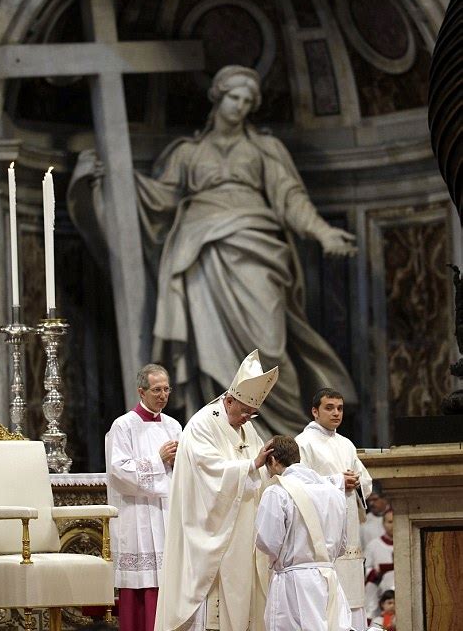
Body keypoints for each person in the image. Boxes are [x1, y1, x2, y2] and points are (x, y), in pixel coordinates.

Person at [69, 65, 357, 437]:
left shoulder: (264, 148)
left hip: (255, 247)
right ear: (218, 98)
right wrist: (111, 177)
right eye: (234, 98)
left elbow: (291, 198)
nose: (240, 106)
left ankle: (281, 435)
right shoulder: (188, 153)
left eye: (247, 101)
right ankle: (217, 432)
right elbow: (159, 198)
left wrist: (323, 233)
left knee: (267, 346)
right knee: (208, 349)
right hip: (200, 252)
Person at [153, 349, 278, 631]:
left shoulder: (245, 425)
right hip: (210, 527)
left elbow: (259, 465)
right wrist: (251, 466)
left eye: (253, 412)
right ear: (230, 399)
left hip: (241, 527)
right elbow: (208, 471)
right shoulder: (202, 424)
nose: (248, 417)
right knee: (213, 592)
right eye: (245, 410)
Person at [105, 363, 182, 631]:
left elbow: (182, 471)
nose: (163, 395)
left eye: (166, 389)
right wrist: (158, 459)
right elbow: (119, 472)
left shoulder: (174, 426)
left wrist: (178, 463)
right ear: (141, 391)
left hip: (166, 512)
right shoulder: (123, 425)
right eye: (157, 390)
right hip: (137, 515)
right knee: (142, 584)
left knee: (167, 581)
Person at [255, 435, 351, 631]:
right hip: (329, 579)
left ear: (272, 461)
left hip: (294, 582)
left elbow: (267, 541)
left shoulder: (277, 491)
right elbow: (343, 544)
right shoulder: (334, 493)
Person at [295, 387, 373, 631]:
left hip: (348, 524)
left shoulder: (346, 444)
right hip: (323, 529)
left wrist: (357, 482)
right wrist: (337, 481)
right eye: (329, 408)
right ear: (315, 411)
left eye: (339, 408)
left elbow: (365, 479)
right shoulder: (303, 443)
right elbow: (298, 485)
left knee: (352, 592)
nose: (336, 413)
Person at [365, 509, 394, 622]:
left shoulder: (410, 542)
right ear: (383, 524)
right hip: (382, 597)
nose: (393, 525)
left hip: (404, 595)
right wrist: (376, 572)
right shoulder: (373, 545)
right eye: (390, 522)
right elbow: (365, 570)